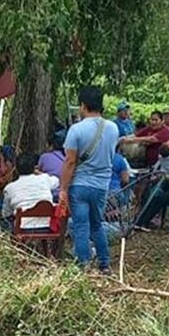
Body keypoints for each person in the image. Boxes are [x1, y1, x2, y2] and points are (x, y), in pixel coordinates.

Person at [60, 85, 120, 274]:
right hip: (102, 185)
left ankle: (84, 265)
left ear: (83, 105)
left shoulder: (76, 130)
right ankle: (104, 264)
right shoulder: (113, 128)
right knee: (97, 225)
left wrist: (63, 188)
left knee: (81, 226)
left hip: (80, 185)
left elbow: (70, 162)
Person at [3, 152, 57, 231]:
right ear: (34, 167)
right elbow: (57, 181)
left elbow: (6, 213)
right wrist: (39, 173)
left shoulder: (9, 188)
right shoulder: (44, 179)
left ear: (16, 169)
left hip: (22, 227)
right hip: (47, 226)